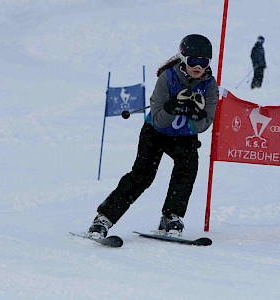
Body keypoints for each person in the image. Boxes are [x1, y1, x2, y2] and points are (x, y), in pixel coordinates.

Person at [88, 34, 219, 238]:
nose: (198, 67)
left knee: (187, 169)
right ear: (184, 58)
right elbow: (158, 120)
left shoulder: (210, 85)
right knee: (142, 176)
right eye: (194, 61)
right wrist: (172, 106)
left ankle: (171, 217)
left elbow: (205, 123)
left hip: (185, 136)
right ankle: (103, 219)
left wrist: (195, 116)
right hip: (155, 133)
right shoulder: (167, 77)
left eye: (204, 62)